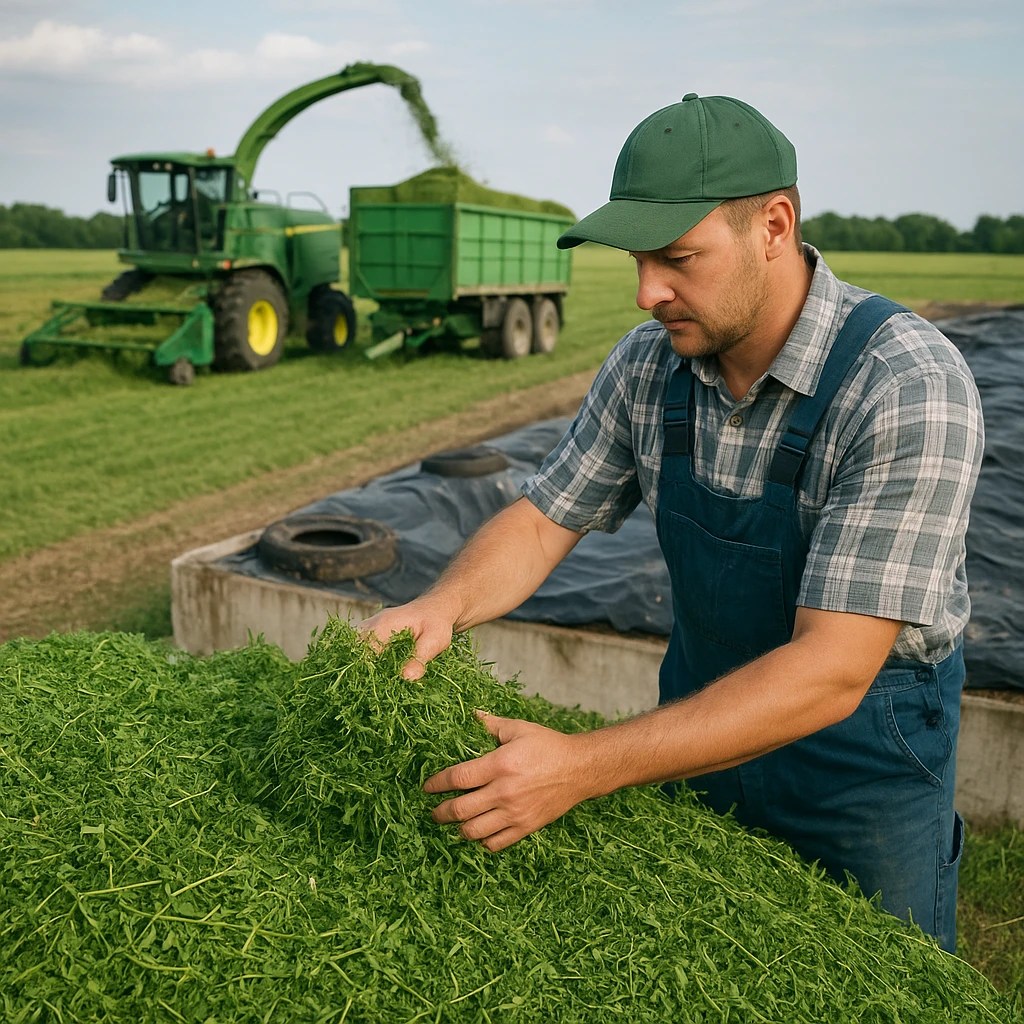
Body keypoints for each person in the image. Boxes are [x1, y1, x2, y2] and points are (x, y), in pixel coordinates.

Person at [361, 93, 984, 952]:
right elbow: (546, 519)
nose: (649, 291)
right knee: (709, 969)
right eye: (638, 260)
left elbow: (832, 670)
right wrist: (445, 606)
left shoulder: (904, 383)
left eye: (679, 258)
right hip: (693, 734)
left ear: (774, 224)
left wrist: (579, 767)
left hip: (859, 766)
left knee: (878, 981)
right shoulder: (649, 365)